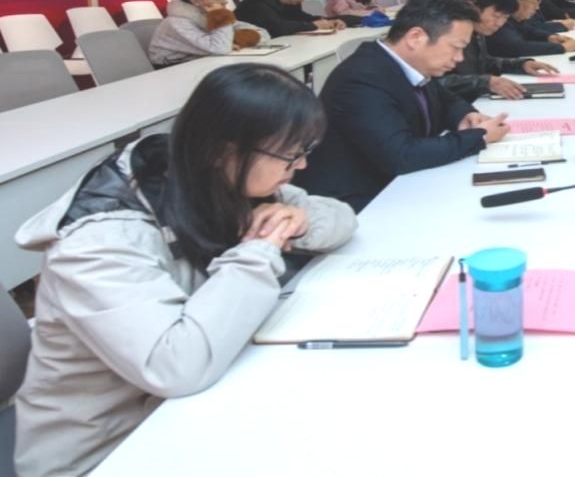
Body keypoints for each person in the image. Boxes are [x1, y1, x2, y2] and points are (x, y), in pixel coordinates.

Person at [13, 65, 358, 476]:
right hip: (107, 449)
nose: (300, 166)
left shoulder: (218, 176)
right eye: (291, 154)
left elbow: (343, 220)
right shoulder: (100, 241)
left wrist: (299, 222)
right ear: (225, 149)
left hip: (196, 406)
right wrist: (259, 250)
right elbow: (175, 366)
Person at [293, 0, 510, 210]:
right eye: (456, 47)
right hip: (355, 202)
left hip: (398, 184)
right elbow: (401, 154)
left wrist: (465, 115)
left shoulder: (407, 65)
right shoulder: (362, 79)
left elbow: (444, 99)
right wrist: (479, 137)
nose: (459, 58)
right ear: (416, 37)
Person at [441, 0, 560, 101]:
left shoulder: (477, 31)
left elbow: (483, 61)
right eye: (496, 16)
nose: (499, 23)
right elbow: (435, 84)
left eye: (505, 17)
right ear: (472, 7)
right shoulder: (444, 33)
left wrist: (520, 65)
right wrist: (485, 83)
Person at [148, 0, 270, 66]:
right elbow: (220, 48)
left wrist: (235, 40)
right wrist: (221, 18)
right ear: (195, 0)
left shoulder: (208, 13)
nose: (224, 1)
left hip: (204, 62)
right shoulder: (176, 22)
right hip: (172, 69)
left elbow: (262, 33)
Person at [488, 0, 575, 56]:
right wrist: (563, 48)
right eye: (533, 2)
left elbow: (529, 31)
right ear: (516, 1)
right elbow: (517, 47)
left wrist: (549, 37)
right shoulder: (499, 19)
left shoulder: (515, 19)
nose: (537, 7)